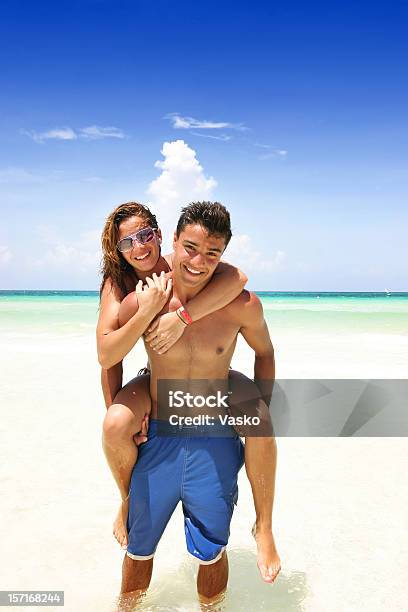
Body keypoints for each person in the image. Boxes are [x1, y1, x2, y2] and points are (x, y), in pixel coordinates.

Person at [115, 202, 281, 603]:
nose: (198, 261)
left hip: (215, 440)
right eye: (189, 248)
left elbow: (266, 353)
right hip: (158, 438)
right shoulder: (145, 301)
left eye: (213, 253)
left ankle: (263, 529)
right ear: (172, 242)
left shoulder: (243, 305)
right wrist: (120, 408)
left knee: (212, 553)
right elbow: (110, 355)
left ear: (224, 254)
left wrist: (261, 407)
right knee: (138, 553)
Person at [97, 201, 248, 550]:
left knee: (259, 415)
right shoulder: (116, 284)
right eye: (127, 242)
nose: (139, 247)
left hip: (189, 376)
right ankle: (127, 500)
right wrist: (146, 310)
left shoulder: (180, 262)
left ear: (161, 235)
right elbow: (107, 357)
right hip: (149, 375)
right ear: (117, 250)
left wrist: (181, 317)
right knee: (115, 426)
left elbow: (237, 278)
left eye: (145, 235)